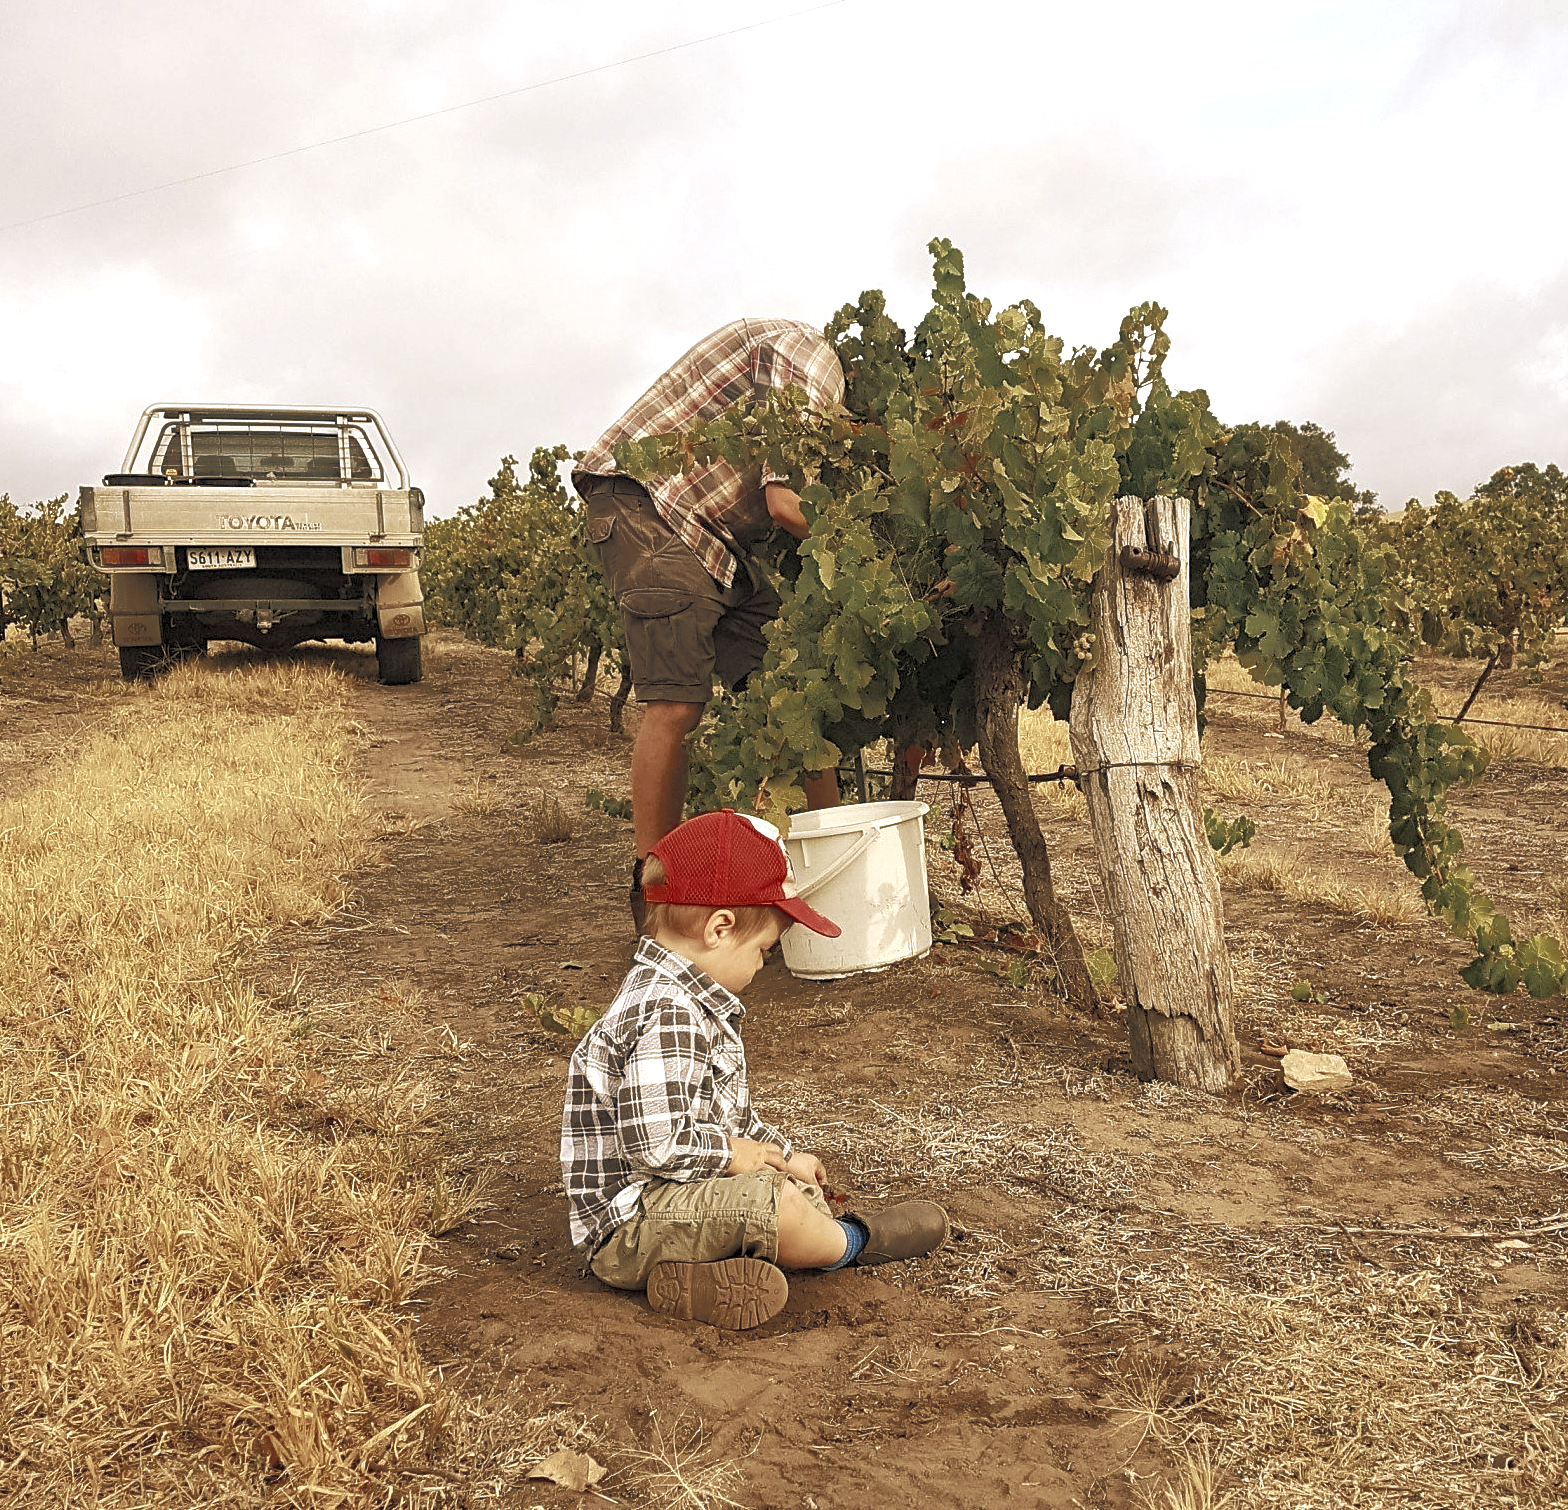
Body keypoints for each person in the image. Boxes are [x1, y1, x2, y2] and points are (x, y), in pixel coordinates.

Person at [560, 808, 949, 1331]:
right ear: (720, 929)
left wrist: (784, 1156)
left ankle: (700, 1277)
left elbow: (730, 1120)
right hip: (629, 1228)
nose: (764, 965)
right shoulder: (668, 1013)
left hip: (671, 1203)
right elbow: (654, 1144)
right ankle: (856, 1242)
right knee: (778, 1204)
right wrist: (740, 1158)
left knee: (789, 1188)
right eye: (764, 950)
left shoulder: (695, 1005)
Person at [573, 318, 845, 929]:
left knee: (791, 696)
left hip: (706, 536)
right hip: (650, 511)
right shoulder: (815, 364)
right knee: (675, 704)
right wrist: (859, 547)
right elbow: (783, 504)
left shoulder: (810, 376)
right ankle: (655, 894)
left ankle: (827, 869)